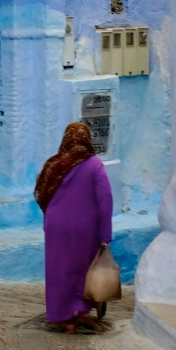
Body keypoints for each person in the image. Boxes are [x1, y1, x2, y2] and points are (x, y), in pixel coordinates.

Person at [35, 121, 113, 333]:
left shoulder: (54, 164)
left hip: (55, 225)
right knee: (82, 268)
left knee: (60, 269)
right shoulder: (94, 164)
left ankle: (66, 318)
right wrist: (105, 234)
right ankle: (81, 311)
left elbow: (41, 192)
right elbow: (105, 199)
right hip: (84, 226)